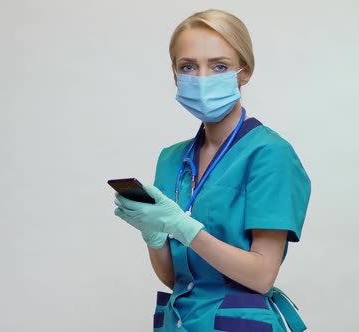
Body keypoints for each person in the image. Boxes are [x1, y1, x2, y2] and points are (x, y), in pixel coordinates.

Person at [113, 9, 311, 332]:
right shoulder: (171, 160)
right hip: (180, 321)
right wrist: (153, 235)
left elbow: (262, 276)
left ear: (243, 72)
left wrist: (184, 228)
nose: (202, 78)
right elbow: (174, 276)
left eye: (219, 66)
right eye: (188, 67)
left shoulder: (270, 155)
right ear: (175, 76)